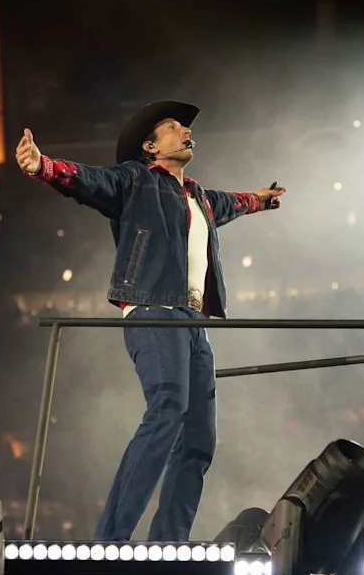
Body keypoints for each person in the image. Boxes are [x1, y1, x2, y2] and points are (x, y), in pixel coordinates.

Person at [15, 100, 286, 541]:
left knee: (199, 436)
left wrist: (260, 200)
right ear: (150, 145)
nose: (185, 132)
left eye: (185, 128)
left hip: (191, 319)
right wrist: (40, 165)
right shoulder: (136, 180)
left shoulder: (197, 195)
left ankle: (168, 543)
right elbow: (86, 179)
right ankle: (111, 540)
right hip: (153, 308)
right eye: (174, 127)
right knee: (166, 410)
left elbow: (230, 203)